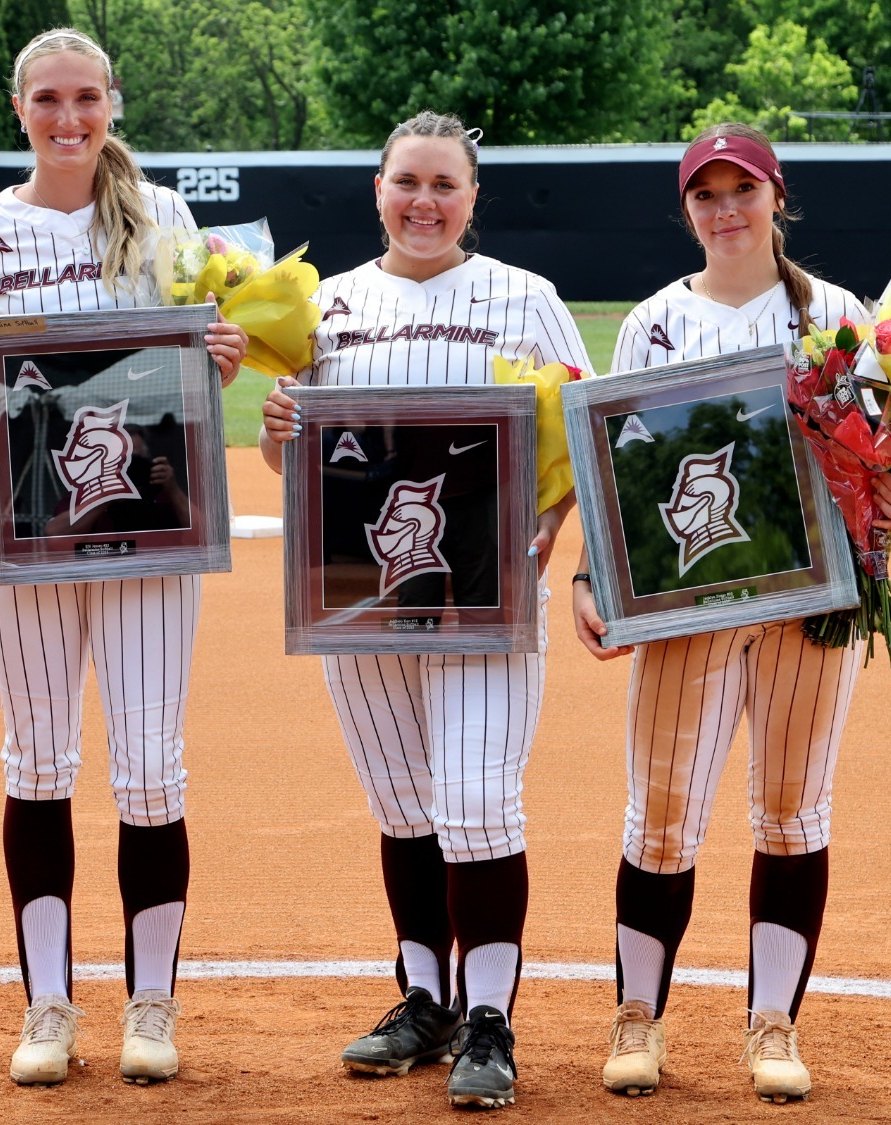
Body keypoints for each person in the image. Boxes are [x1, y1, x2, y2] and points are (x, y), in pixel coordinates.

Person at [574, 123, 891, 1104]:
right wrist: (591, 578)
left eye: (740, 189)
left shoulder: (837, 316)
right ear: (686, 210)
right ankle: (637, 1019)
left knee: (790, 813)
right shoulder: (652, 322)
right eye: (704, 195)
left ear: (774, 196)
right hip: (687, 604)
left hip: (807, 608)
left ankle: (773, 1024)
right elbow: (620, 469)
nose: (724, 209)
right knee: (660, 820)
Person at [257, 110, 593, 1110]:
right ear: (376, 190)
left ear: (472, 198)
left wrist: (547, 536)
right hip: (359, 597)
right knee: (403, 805)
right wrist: (279, 429)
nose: (424, 201)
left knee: (478, 799)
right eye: (407, 181)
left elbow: (574, 434)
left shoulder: (525, 300)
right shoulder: (324, 305)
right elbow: (293, 459)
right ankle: (423, 998)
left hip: (485, 595)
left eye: (445, 184)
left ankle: (487, 1016)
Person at [0, 27, 248, 1088]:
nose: (68, 119)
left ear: (112, 102)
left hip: (151, 522)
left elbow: (193, 374)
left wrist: (224, 354)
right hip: (28, 530)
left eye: (86, 99)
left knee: (151, 767)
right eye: (48, 101)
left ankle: (150, 1004)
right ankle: (49, 1004)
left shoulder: (163, 216)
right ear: (17, 109)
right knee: (35, 761)